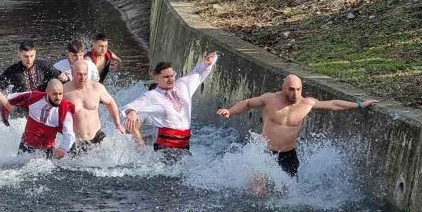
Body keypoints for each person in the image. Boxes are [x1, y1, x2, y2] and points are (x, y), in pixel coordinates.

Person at [216, 75, 377, 177]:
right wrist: (230, 111)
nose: (295, 93)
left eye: (298, 89)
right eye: (291, 89)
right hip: (265, 151)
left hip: (288, 154)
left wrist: (359, 104)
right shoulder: (270, 99)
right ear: (283, 88)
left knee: (288, 194)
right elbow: (248, 103)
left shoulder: (307, 103)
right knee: (258, 190)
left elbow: (333, 104)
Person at [124, 52, 218, 156]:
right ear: (157, 78)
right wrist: (131, 111)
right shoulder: (152, 96)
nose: (170, 79)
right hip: (165, 148)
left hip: (184, 146)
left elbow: (197, 73)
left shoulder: (183, 85)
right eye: (166, 77)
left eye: (172, 76)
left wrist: (207, 64)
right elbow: (128, 107)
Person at [63, 60, 125, 154]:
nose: (82, 78)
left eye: (85, 74)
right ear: (72, 73)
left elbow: (110, 103)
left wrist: (118, 124)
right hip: (77, 141)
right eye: (79, 74)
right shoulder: (64, 91)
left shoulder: (97, 88)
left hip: (97, 136)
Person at [8, 79, 75, 159]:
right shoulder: (33, 97)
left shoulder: (65, 109)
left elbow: (69, 133)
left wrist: (63, 148)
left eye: (60, 94)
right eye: (54, 94)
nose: (58, 97)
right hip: (26, 146)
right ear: (47, 92)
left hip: (46, 151)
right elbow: (9, 98)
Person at [0, 40, 67, 93]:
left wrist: (63, 78)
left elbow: (60, 76)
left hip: (42, 100)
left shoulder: (44, 66)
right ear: (19, 54)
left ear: (35, 53)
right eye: (25, 56)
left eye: (31, 56)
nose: (29, 60)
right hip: (23, 103)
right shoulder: (13, 71)